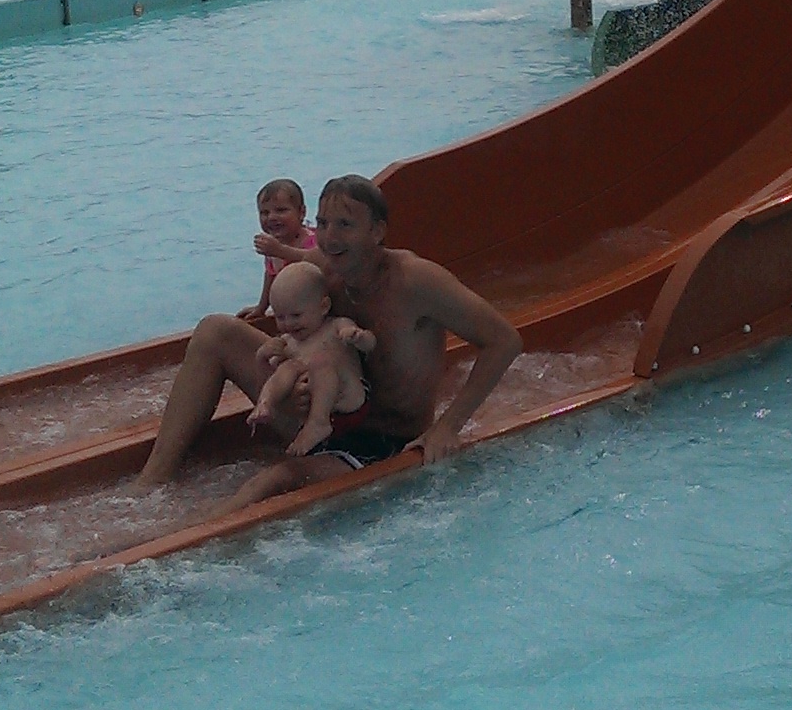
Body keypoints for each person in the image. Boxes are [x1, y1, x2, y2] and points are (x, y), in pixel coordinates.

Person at [139, 173, 522, 489]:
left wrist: (447, 427)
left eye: (344, 225)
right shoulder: (324, 267)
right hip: (323, 416)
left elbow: (504, 341)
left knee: (271, 482)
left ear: (377, 231)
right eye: (322, 224)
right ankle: (151, 483)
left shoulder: (416, 281)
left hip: (385, 440)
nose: (329, 237)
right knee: (215, 331)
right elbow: (294, 333)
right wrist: (288, 391)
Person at [241, 263, 377, 501]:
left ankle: (318, 423)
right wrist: (263, 357)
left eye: (296, 316)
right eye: (280, 317)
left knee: (320, 361)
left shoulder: (336, 325)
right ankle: (265, 405)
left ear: (323, 306)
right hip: (321, 411)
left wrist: (358, 337)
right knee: (287, 368)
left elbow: (371, 345)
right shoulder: (289, 341)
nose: (288, 324)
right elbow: (272, 374)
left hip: (349, 403)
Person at [247, 175, 318, 314]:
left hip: (319, 307)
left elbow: (318, 260)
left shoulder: (313, 240)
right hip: (292, 311)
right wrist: (261, 307)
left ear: (301, 213)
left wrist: (280, 251)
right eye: (264, 213)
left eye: (281, 210)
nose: (271, 217)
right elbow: (270, 275)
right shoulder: (272, 246)